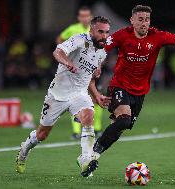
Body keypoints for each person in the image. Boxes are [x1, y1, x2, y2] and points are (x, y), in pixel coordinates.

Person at [85, 5, 175, 176]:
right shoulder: (122, 34)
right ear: (132, 21)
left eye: (147, 19)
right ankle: (91, 152)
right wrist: (97, 64)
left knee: (122, 126)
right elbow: (101, 48)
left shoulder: (157, 36)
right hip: (120, 86)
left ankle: (94, 154)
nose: (144, 23)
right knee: (123, 120)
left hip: (140, 92)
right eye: (140, 19)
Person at [15, 16, 111, 177]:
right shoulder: (79, 40)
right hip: (58, 95)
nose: (104, 36)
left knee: (89, 115)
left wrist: (96, 96)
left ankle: (85, 159)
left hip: (79, 94)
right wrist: (67, 62)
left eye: (107, 32)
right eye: (100, 32)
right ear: (91, 30)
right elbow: (58, 51)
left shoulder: (102, 53)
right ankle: (24, 149)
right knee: (42, 135)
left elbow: (90, 79)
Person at [56, 6, 104, 139]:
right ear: (78, 17)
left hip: (92, 69)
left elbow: (101, 48)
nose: (84, 18)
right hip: (76, 71)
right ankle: (76, 131)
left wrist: (98, 63)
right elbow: (59, 40)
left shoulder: (96, 30)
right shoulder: (72, 29)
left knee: (96, 98)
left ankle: (97, 128)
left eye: (86, 15)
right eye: (82, 16)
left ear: (91, 16)